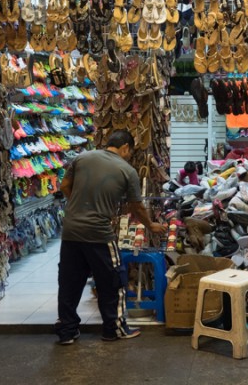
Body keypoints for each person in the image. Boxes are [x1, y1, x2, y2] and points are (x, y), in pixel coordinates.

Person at [55, 129, 167, 345]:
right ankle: (113, 329)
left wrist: (79, 205)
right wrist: (151, 225)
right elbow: (136, 206)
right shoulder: (127, 170)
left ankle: (67, 332)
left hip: (71, 231)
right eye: (129, 152)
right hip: (98, 233)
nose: (128, 156)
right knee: (113, 281)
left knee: (69, 282)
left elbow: (64, 186)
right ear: (125, 147)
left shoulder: (82, 157)